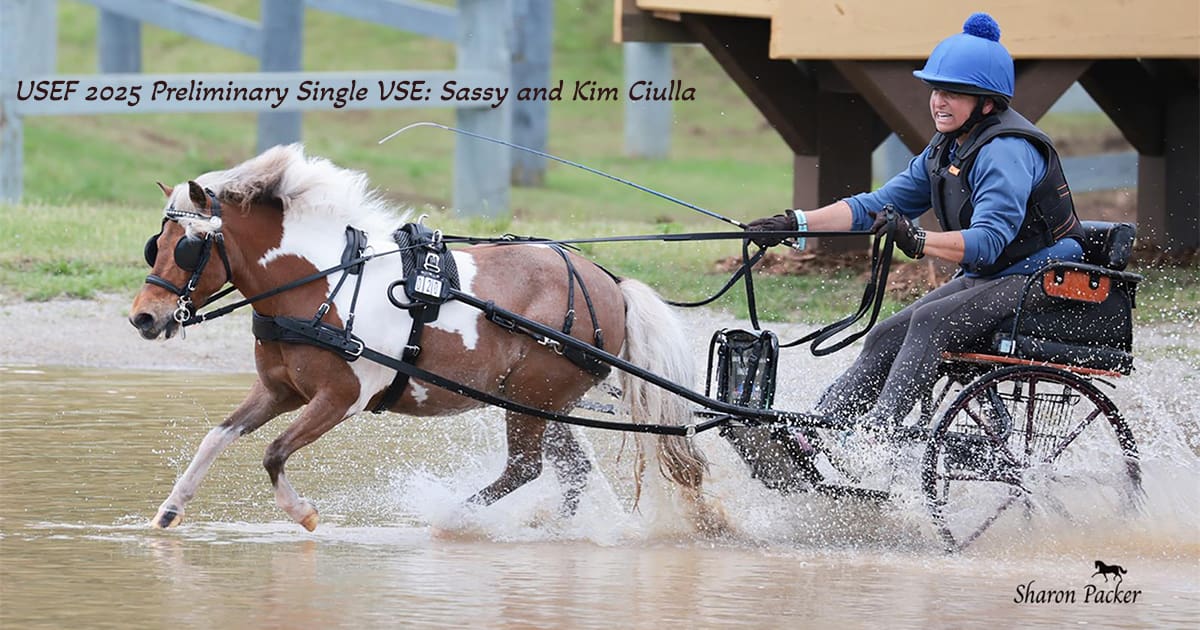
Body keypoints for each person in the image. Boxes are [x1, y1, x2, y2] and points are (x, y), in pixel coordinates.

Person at [747, 12, 1084, 431]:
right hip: (995, 276)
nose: (939, 101)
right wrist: (794, 224)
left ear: (988, 103)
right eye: (936, 90)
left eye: (954, 94)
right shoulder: (946, 148)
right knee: (885, 335)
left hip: (1044, 277)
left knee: (930, 320)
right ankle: (818, 430)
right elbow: (876, 205)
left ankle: (878, 438)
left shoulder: (1006, 151)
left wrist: (918, 239)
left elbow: (988, 243)